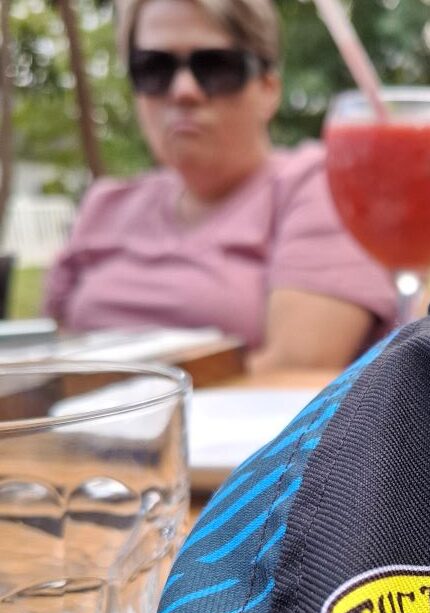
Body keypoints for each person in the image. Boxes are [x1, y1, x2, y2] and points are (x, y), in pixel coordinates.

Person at [43, 0, 397, 371]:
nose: (183, 91)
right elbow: (42, 356)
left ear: (268, 88)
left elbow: (296, 370)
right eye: (154, 68)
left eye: (215, 67)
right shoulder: (105, 204)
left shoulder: (319, 184)